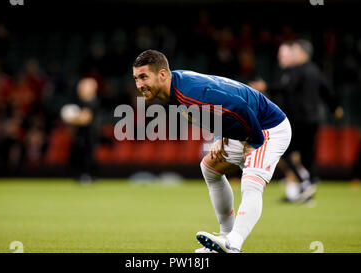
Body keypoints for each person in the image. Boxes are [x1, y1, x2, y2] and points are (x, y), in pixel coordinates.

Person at [132, 50, 291, 253]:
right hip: (246, 127)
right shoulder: (176, 84)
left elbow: (239, 107)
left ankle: (233, 244)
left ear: (162, 74)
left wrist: (255, 141)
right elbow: (219, 102)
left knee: (251, 183)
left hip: (267, 128)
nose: (139, 85)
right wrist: (220, 136)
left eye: (144, 77)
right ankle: (224, 237)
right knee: (210, 168)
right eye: (136, 78)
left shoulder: (187, 93)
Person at [250, 39, 343, 203]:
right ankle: (306, 190)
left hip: (298, 119)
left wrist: (265, 87)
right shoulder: (315, 70)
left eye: (294, 52)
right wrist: (335, 107)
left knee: (283, 152)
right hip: (314, 119)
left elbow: (286, 88)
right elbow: (326, 90)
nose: (292, 56)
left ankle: (305, 182)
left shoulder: (296, 71)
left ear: (301, 53)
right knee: (307, 155)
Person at [67, 77, 100, 183]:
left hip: (89, 134)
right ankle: (82, 175)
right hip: (82, 134)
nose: (80, 89)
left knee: (88, 155)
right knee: (80, 154)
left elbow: (85, 119)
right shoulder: (82, 102)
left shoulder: (92, 101)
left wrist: (70, 119)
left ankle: (89, 176)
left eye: (83, 86)